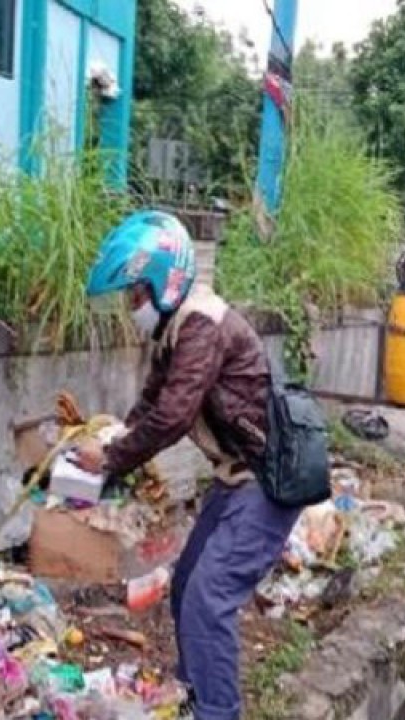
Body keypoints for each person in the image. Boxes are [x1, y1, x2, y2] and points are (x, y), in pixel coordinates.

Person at [72, 210, 302, 720]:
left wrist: (109, 458)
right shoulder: (176, 330)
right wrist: (108, 442)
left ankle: (217, 711)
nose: (130, 308)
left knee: (208, 596)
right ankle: (193, 693)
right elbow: (151, 403)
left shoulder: (201, 326)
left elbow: (173, 417)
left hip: (264, 484)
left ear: (162, 283)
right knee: (187, 585)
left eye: (134, 295)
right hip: (236, 480)